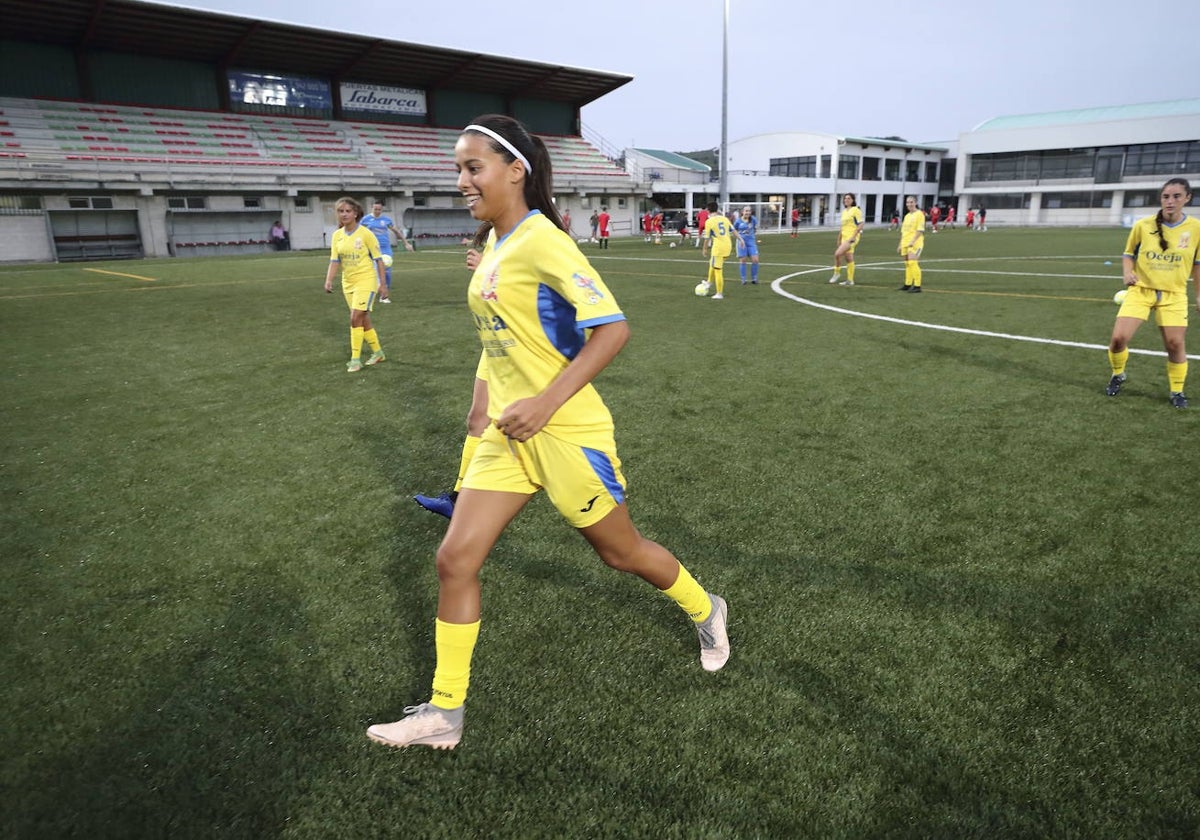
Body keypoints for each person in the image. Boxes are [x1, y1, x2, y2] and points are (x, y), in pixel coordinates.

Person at [366, 114, 730, 750]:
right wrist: (482, 405)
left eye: (472, 167)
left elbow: (612, 330)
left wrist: (544, 402)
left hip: (567, 433)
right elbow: (498, 343)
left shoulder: (544, 240)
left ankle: (706, 609)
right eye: (458, 169)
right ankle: (445, 715)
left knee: (621, 553)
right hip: (506, 436)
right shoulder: (494, 250)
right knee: (454, 559)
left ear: (515, 171)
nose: (462, 181)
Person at [415, 223, 494, 519]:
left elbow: (539, 289)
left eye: (474, 173)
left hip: (524, 347)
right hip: (496, 342)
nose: (465, 185)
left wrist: (486, 268)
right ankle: (459, 499)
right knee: (477, 419)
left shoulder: (537, 232)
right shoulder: (498, 234)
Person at [1104, 178, 1200, 409]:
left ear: (1187, 198)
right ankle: (1118, 374)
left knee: (1175, 344)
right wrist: (1128, 273)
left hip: (1174, 294)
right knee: (1118, 340)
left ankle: (1177, 390)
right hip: (1141, 290)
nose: (1170, 201)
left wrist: (1198, 295)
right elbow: (1128, 254)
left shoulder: (1196, 229)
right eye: (1166, 196)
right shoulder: (1143, 225)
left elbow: (1198, 264)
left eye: (1176, 196)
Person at [323, 197, 387, 372]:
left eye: (348, 211)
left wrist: (383, 285)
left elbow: (379, 260)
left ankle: (355, 359)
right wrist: (329, 280)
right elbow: (335, 261)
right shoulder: (337, 236)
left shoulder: (366, 233)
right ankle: (378, 352)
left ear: (356, 213)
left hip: (366, 280)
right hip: (348, 283)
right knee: (363, 319)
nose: (344, 214)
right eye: (340, 211)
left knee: (354, 317)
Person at [361, 201, 413, 303]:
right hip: (372, 249)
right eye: (375, 209)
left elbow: (396, 231)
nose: (377, 211)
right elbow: (359, 233)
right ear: (372, 208)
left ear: (382, 209)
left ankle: (384, 295)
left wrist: (406, 243)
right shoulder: (365, 220)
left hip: (385, 249)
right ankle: (371, 290)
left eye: (379, 209)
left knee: (387, 272)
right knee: (373, 272)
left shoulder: (386, 220)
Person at [828, 193, 864, 286]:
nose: (846, 200)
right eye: (845, 198)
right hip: (844, 237)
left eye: (849, 198)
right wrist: (839, 238)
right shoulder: (844, 211)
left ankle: (837, 272)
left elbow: (860, 224)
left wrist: (853, 237)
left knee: (837, 254)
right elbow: (842, 227)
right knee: (849, 258)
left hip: (851, 238)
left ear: (853, 200)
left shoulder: (856, 210)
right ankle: (850, 280)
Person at [701, 203, 734, 300]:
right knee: (712, 263)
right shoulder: (724, 219)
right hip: (728, 246)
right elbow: (734, 230)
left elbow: (707, 238)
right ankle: (709, 282)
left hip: (719, 248)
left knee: (718, 270)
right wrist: (741, 240)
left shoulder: (709, 221)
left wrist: (704, 249)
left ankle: (719, 293)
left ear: (708, 210)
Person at [897, 195, 925, 292]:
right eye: (908, 202)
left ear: (916, 203)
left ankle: (917, 286)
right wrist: (900, 244)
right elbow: (903, 231)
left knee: (913, 262)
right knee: (907, 264)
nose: (909, 204)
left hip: (915, 243)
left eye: (911, 202)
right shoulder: (907, 216)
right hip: (905, 242)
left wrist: (913, 241)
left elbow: (920, 230)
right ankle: (907, 284)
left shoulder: (920, 214)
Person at [734, 205, 760, 284]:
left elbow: (755, 228)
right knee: (743, 261)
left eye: (749, 211)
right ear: (742, 212)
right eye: (746, 211)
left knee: (755, 260)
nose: (747, 212)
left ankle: (754, 278)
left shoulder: (753, 220)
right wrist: (740, 239)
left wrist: (752, 236)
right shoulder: (738, 221)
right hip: (741, 243)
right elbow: (734, 231)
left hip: (751, 242)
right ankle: (743, 279)